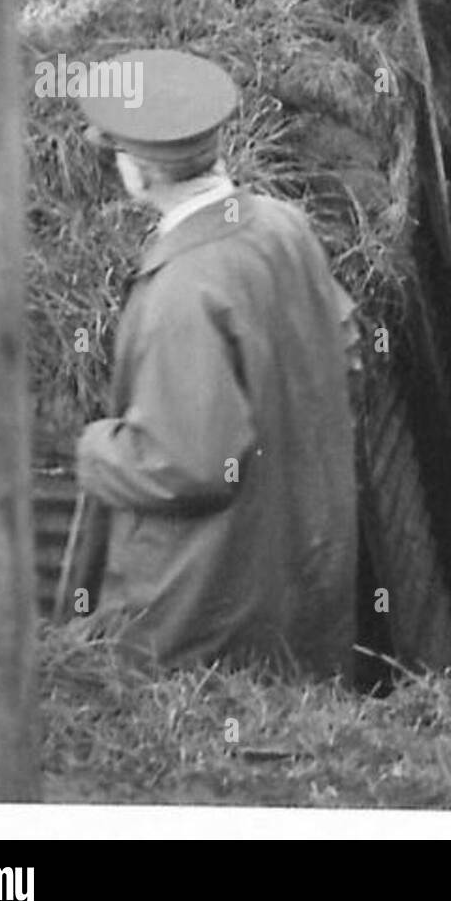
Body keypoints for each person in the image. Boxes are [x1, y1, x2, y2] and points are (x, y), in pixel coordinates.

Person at [72, 48, 360, 678]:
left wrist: (95, 449)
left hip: (211, 606)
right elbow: (344, 346)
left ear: (139, 171)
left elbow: (191, 465)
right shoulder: (284, 226)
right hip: (301, 563)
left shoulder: (185, 288)